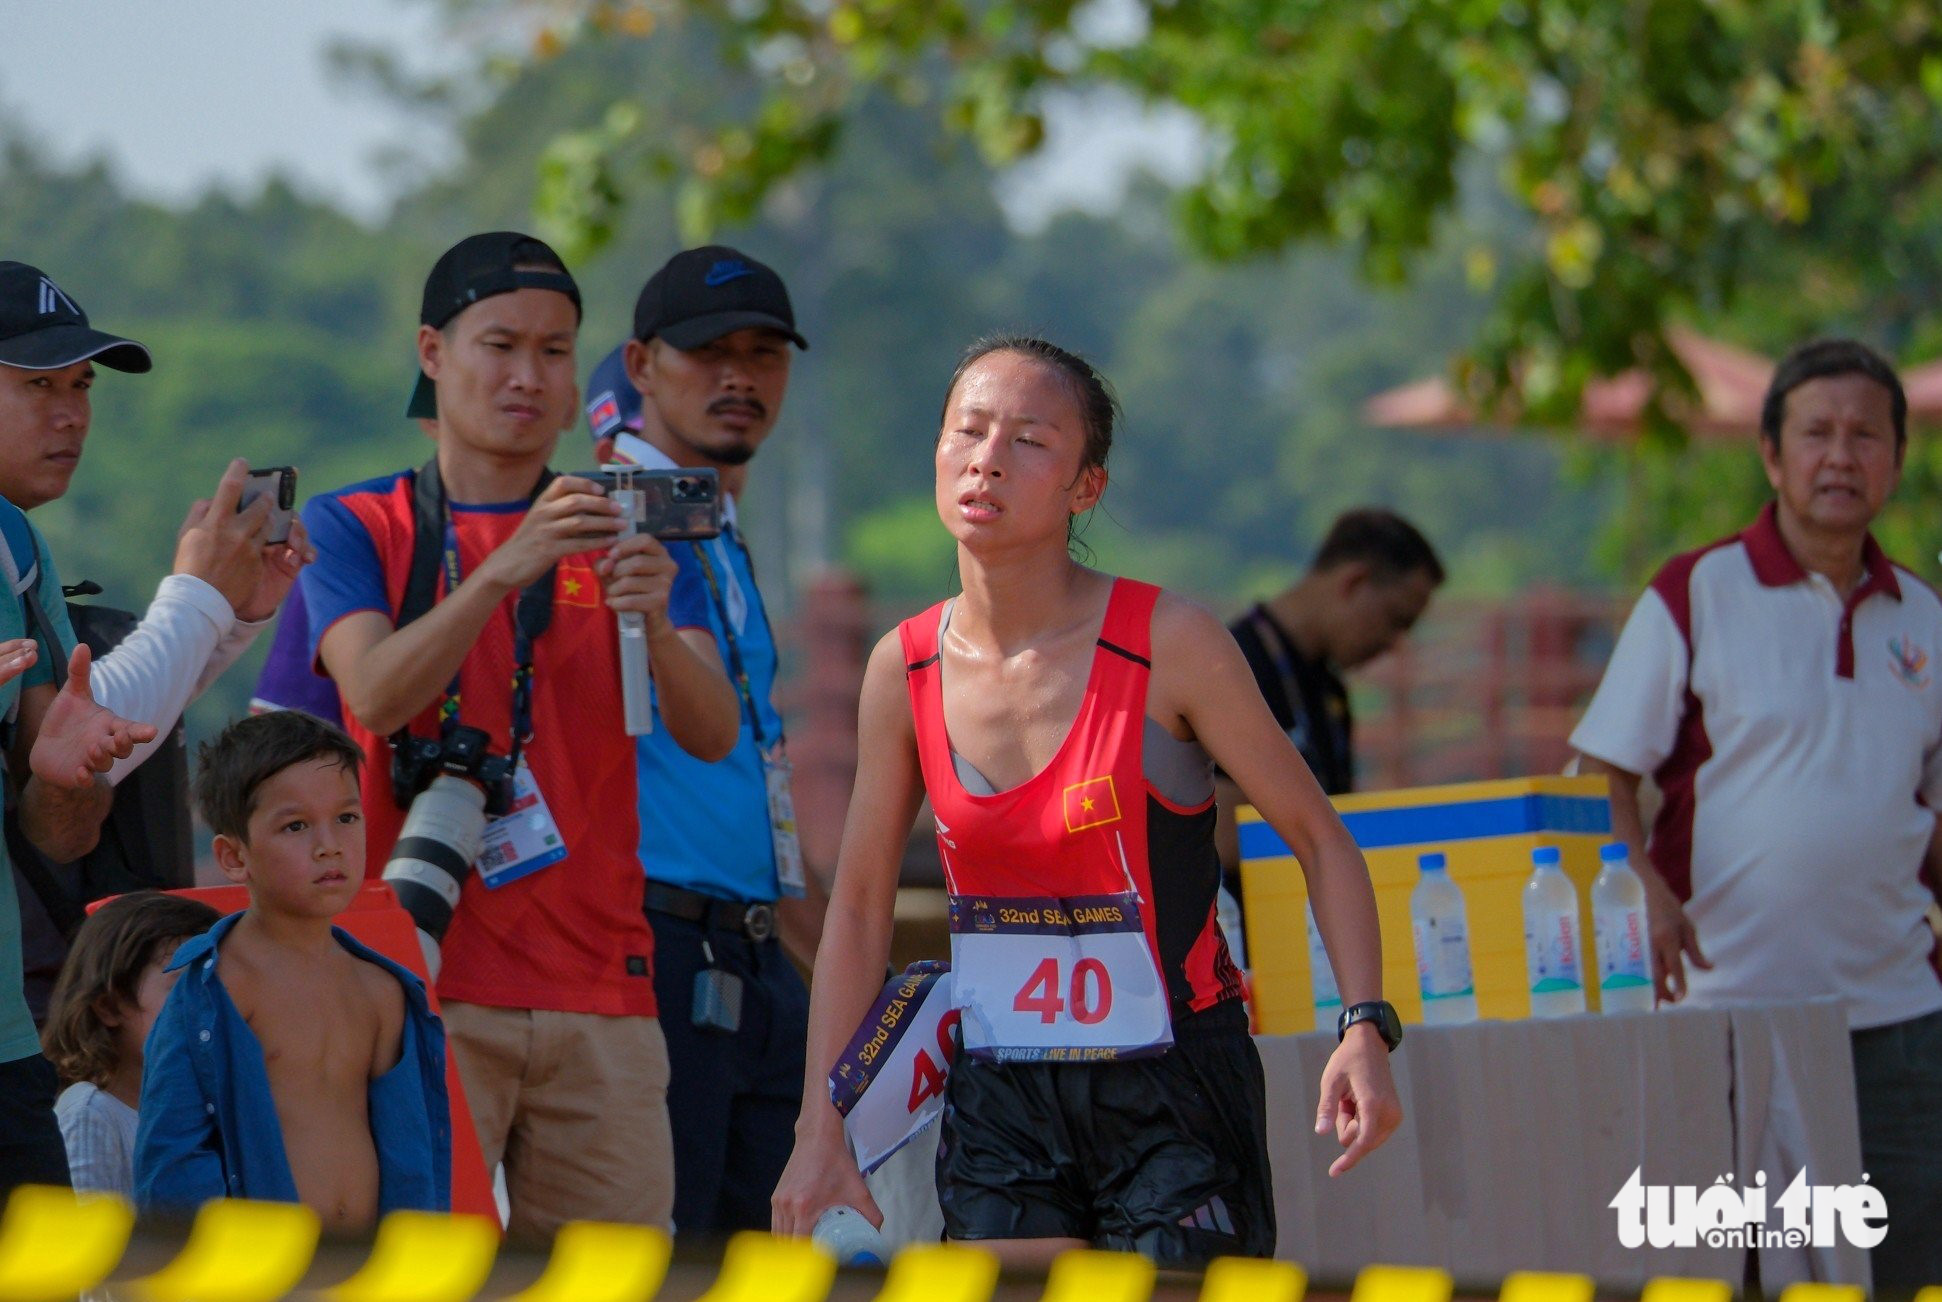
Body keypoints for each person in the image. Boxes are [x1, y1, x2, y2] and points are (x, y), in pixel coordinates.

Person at [770, 336, 1403, 1267]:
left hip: (1175, 1080)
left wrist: (1364, 1025)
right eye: (969, 430)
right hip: (1002, 1089)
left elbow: (1318, 836)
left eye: (1030, 440)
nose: (988, 458)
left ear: (1085, 488)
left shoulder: (1173, 643)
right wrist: (820, 1125)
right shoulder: (902, 668)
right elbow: (859, 907)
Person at [299, 231, 738, 1238]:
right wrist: (503, 566)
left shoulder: (629, 521)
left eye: (553, 351)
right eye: (499, 345)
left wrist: (657, 631)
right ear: (431, 352)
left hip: (605, 991)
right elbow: (372, 695)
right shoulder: (360, 523)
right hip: (419, 983)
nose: (527, 376)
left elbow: (713, 735)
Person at [1570, 338, 1942, 1289]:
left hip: (1899, 1019)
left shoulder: (1926, 621)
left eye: (1867, 436)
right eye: (1816, 433)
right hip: (1727, 1015)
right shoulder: (1694, 592)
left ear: (1899, 460)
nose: (1841, 456)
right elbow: (1599, 776)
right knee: (1734, 1274)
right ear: (1772, 456)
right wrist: (1641, 889)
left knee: (1904, 1273)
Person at [584, 245, 823, 1235]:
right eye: (707, 352)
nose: (739, 376)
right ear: (639, 368)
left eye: (764, 354)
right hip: (661, 944)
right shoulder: (622, 514)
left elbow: (745, 761)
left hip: (751, 945)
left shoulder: (710, 522)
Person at [0, 261, 309, 1015]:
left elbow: (81, 754)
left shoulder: (15, 538)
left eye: (82, 386)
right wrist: (197, 599)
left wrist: (225, 622)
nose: (71, 413)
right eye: (39, 385)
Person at [135, 710, 448, 1227]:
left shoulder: (384, 989)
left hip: (369, 1273)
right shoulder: (217, 990)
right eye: (296, 825)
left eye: (347, 817)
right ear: (234, 857)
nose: (330, 844)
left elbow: (415, 1156)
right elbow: (171, 1162)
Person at [1212, 508, 1442, 960]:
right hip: (1243, 949)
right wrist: (1325, 836)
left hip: (1316, 944)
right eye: (1397, 620)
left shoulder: (1329, 689)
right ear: (1354, 582)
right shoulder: (1235, 666)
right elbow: (1215, 834)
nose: (1395, 644)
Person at [40, 892, 220, 1195]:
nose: (210, 1005)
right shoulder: (91, 1114)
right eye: (181, 989)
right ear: (110, 1007)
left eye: (219, 985)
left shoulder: (212, 1106)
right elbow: (86, 1238)